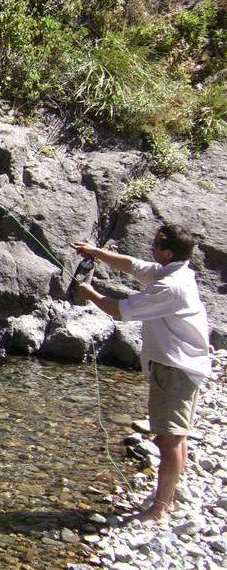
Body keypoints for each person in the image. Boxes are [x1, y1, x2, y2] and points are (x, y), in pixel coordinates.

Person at [72, 223, 211, 523]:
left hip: (174, 370)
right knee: (175, 436)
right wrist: (95, 252)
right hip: (182, 366)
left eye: (157, 243)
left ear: (168, 251)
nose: (152, 247)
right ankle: (167, 498)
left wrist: (90, 293)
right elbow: (133, 266)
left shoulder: (171, 286)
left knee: (169, 439)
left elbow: (120, 310)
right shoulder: (175, 271)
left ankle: (160, 507)